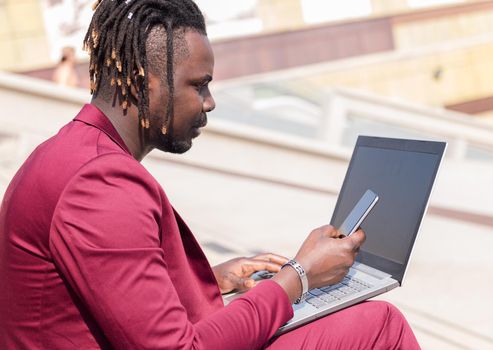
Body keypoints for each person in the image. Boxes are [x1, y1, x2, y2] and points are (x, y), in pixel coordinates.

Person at [0, 1, 421, 349]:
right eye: (198, 85)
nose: (210, 102)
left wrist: (209, 280)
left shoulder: (70, 154)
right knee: (378, 325)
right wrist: (299, 277)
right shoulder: (98, 186)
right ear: (146, 83)